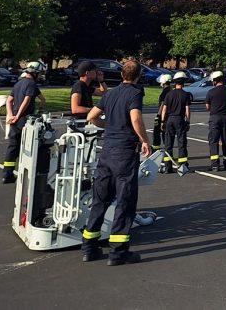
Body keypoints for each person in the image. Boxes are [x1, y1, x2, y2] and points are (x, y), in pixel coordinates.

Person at [82, 60, 151, 266]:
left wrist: (109, 125)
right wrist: (144, 140)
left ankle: (89, 248)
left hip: (107, 152)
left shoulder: (110, 94)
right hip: (124, 152)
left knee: (100, 199)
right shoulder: (135, 93)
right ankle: (118, 252)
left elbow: (91, 116)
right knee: (124, 201)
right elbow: (135, 118)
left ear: (122, 75)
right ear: (138, 76)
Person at [2, 61, 44, 184]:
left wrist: (11, 115)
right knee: (31, 145)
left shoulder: (18, 83)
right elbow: (29, 99)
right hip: (25, 120)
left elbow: (9, 100)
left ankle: (7, 174)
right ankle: (30, 173)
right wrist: (39, 110)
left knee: (13, 146)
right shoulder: (32, 84)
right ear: (35, 73)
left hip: (14, 120)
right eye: (39, 73)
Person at [161, 71, 191, 176]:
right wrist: (188, 121)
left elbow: (164, 109)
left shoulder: (169, 94)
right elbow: (187, 109)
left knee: (168, 143)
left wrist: (162, 121)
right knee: (181, 143)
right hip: (180, 120)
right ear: (183, 83)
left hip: (170, 120)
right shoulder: (185, 95)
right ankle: (183, 165)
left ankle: (167, 167)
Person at [204, 70, 226, 171]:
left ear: (215, 81)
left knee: (213, 141)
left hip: (214, 118)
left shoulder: (210, 92)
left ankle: (215, 165)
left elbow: (207, 107)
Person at [151, 73, 172, 150]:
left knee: (157, 130)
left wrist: (158, 115)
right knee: (164, 131)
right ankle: (166, 146)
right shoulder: (170, 89)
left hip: (163, 114)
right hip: (168, 114)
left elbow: (163, 104)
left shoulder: (165, 91)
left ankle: (156, 146)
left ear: (164, 82)